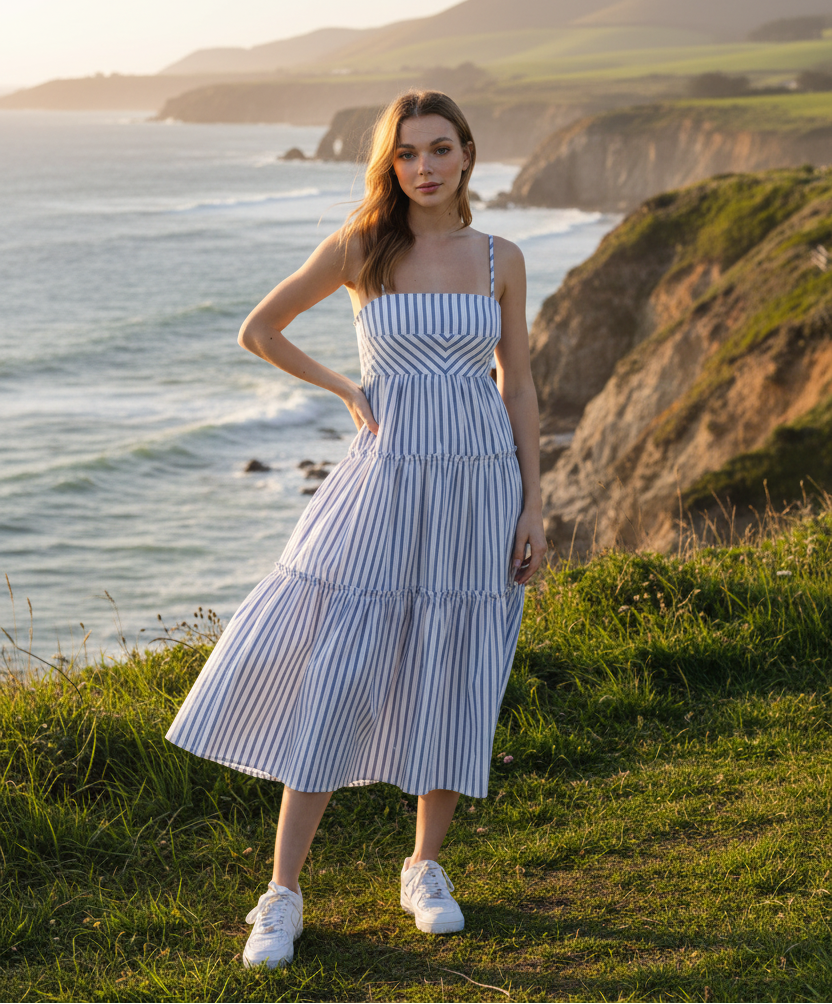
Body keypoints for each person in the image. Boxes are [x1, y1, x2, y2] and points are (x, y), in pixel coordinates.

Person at [165, 89, 546, 968]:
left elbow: (517, 383)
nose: (425, 166)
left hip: (481, 486)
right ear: (391, 163)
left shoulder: (501, 259)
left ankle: (424, 867)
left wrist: (534, 502)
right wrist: (345, 388)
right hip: (382, 485)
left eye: (439, 149)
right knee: (339, 665)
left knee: (460, 662)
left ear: (467, 154)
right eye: (408, 153)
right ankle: (283, 891)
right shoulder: (362, 247)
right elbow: (260, 329)